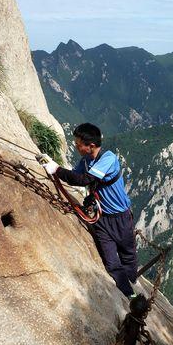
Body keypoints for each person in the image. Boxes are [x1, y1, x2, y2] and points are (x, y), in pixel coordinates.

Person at [41, 123, 138, 298]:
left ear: (91, 146)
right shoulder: (85, 161)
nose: (76, 147)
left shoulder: (108, 158)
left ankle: (132, 282)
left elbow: (84, 179)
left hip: (120, 217)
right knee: (112, 263)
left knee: (128, 255)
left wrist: (56, 169)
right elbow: (74, 176)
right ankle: (128, 294)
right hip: (102, 219)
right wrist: (55, 168)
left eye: (79, 144)